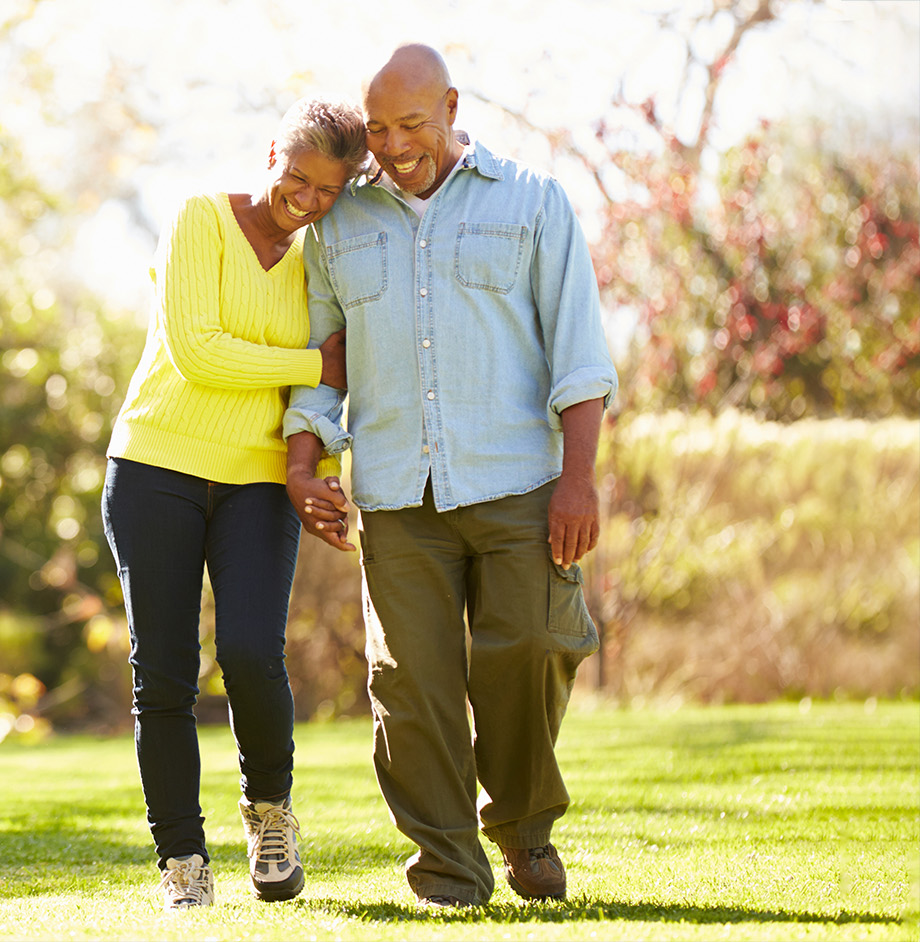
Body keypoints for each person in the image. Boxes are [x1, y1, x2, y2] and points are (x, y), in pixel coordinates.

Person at [282, 45, 619, 911]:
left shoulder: (533, 201)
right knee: (411, 689)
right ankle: (447, 873)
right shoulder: (339, 226)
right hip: (397, 492)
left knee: (537, 645)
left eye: (412, 124)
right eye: (381, 130)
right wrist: (304, 459)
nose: (396, 146)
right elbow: (325, 359)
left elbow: (578, 352)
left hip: (518, 481)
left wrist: (578, 479)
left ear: (453, 106)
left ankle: (522, 826)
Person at [100, 96, 366, 912]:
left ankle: (271, 814)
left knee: (253, 651)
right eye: (298, 177)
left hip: (257, 480)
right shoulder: (198, 221)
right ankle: (182, 859)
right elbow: (199, 351)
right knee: (166, 674)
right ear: (271, 155)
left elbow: (345, 371)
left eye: (329, 189)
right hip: (156, 466)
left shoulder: (323, 258)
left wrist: (323, 418)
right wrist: (309, 364)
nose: (309, 199)